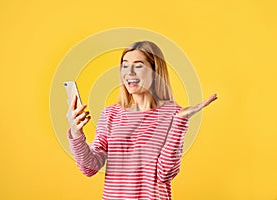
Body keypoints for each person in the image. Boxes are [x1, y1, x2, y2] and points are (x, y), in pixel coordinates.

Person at [66, 41, 217, 200]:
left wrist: (180, 121)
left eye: (138, 66)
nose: (129, 72)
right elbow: (90, 168)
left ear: (154, 71)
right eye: (125, 65)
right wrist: (76, 133)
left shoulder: (172, 114)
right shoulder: (110, 114)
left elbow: (165, 173)